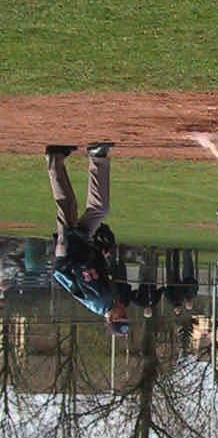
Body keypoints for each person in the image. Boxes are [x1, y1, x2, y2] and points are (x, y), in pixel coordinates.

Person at [46, 143, 129, 335]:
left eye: (122, 317)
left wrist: (92, 246)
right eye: (126, 316)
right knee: (83, 207)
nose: (125, 312)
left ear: (113, 319)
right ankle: (60, 158)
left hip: (71, 253)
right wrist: (101, 253)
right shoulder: (107, 303)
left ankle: (74, 158)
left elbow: (83, 268)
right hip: (74, 252)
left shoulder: (102, 301)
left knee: (73, 205)